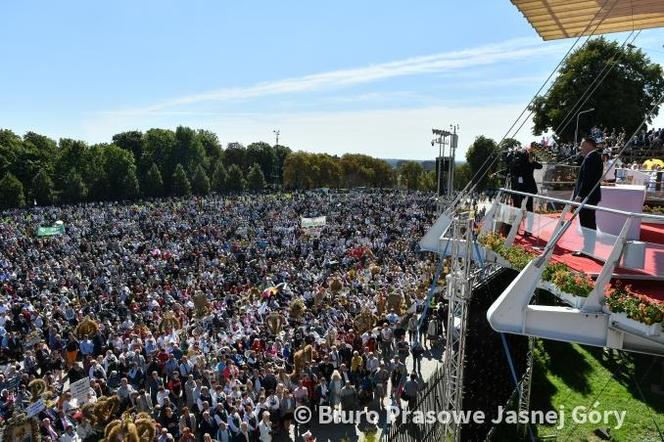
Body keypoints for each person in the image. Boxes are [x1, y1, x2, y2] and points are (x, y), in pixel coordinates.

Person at [573, 138, 603, 254]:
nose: (581, 147)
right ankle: (588, 248)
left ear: (589, 145)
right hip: (588, 196)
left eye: (582, 145)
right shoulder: (591, 157)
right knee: (587, 222)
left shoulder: (592, 158)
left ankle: (588, 249)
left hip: (588, 197)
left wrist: (580, 195)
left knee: (587, 223)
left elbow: (587, 180)